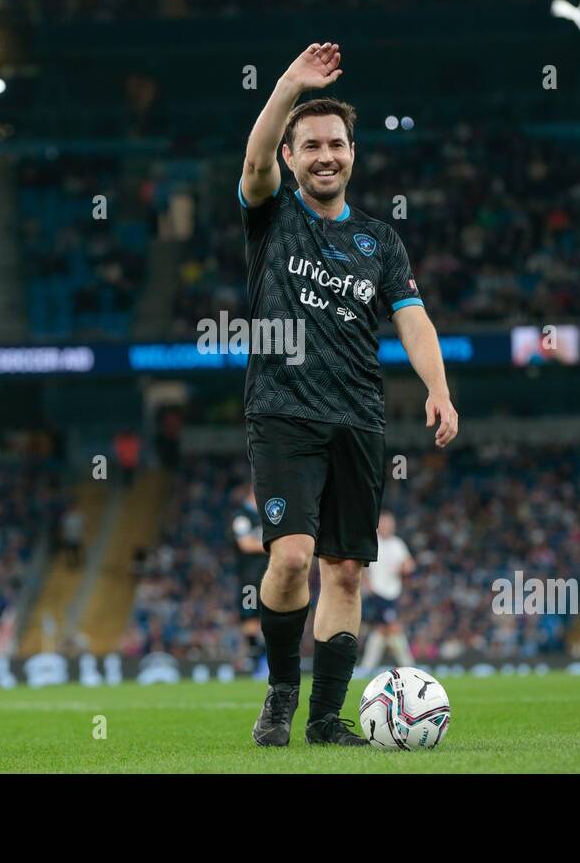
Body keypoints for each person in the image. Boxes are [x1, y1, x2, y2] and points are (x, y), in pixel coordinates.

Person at [239, 42, 458, 746]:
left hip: (359, 421)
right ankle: (280, 694)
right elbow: (252, 161)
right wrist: (287, 87)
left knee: (344, 573)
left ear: (353, 154)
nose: (325, 155)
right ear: (293, 157)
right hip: (282, 413)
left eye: (336, 144)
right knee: (292, 558)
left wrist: (439, 388)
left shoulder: (379, 241)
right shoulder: (272, 214)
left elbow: (414, 320)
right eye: (311, 146)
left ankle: (327, 719)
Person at [359, 511, 415, 674]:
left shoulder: (397, 544)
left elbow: (409, 564)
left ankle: (366, 667)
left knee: (382, 630)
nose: (387, 526)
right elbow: (362, 566)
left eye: (390, 523)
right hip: (377, 592)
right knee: (392, 627)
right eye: (384, 523)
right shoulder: (373, 542)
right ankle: (409, 666)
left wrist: (406, 568)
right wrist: (368, 585)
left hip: (392, 593)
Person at [230, 483, 268, 677]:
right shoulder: (242, 517)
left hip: (269, 577)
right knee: (250, 617)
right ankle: (255, 661)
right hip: (250, 580)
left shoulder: (267, 514)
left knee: (271, 616)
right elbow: (245, 544)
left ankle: (265, 659)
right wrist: (274, 545)